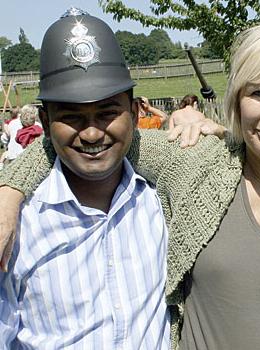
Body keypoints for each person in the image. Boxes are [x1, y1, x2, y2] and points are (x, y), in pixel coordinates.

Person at [0, 20, 260, 349]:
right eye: (259, 94)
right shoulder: (196, 163)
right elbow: (82, 139)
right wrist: (9, 193)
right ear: (238, 98)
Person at [0, 9, 171, 348]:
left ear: (135, 114)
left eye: (108, 112)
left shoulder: (161, 201)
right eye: (72, 117)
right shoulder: (17, 228)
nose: (92, 133)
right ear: (46, 122)